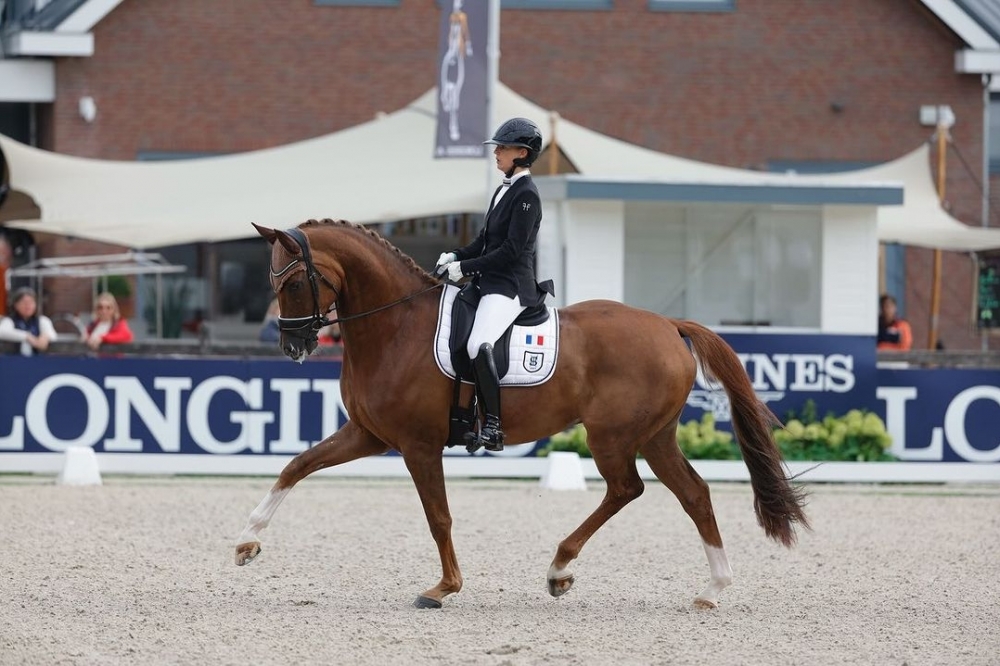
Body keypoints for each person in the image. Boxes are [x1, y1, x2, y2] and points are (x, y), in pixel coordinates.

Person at [435, 117, 553, 452]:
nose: (496, 153)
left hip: (511, 286)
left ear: (522, 152)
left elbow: (511, 251)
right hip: (488, 282)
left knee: (478, 345)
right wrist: (455, 255)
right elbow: (485, 241)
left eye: (502, 147)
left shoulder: (527, 195)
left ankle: (494, 426)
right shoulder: (504, 190)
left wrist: (466, 268)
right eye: (497, 147)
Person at [0, 287, 57, 356]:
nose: (28, 306)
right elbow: (2, 332)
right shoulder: (9, 321)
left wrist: (45, 337)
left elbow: (52, 335)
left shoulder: (42, 320)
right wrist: (27, 337)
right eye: (24, 302)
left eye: (31, 302)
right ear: (16, 305)